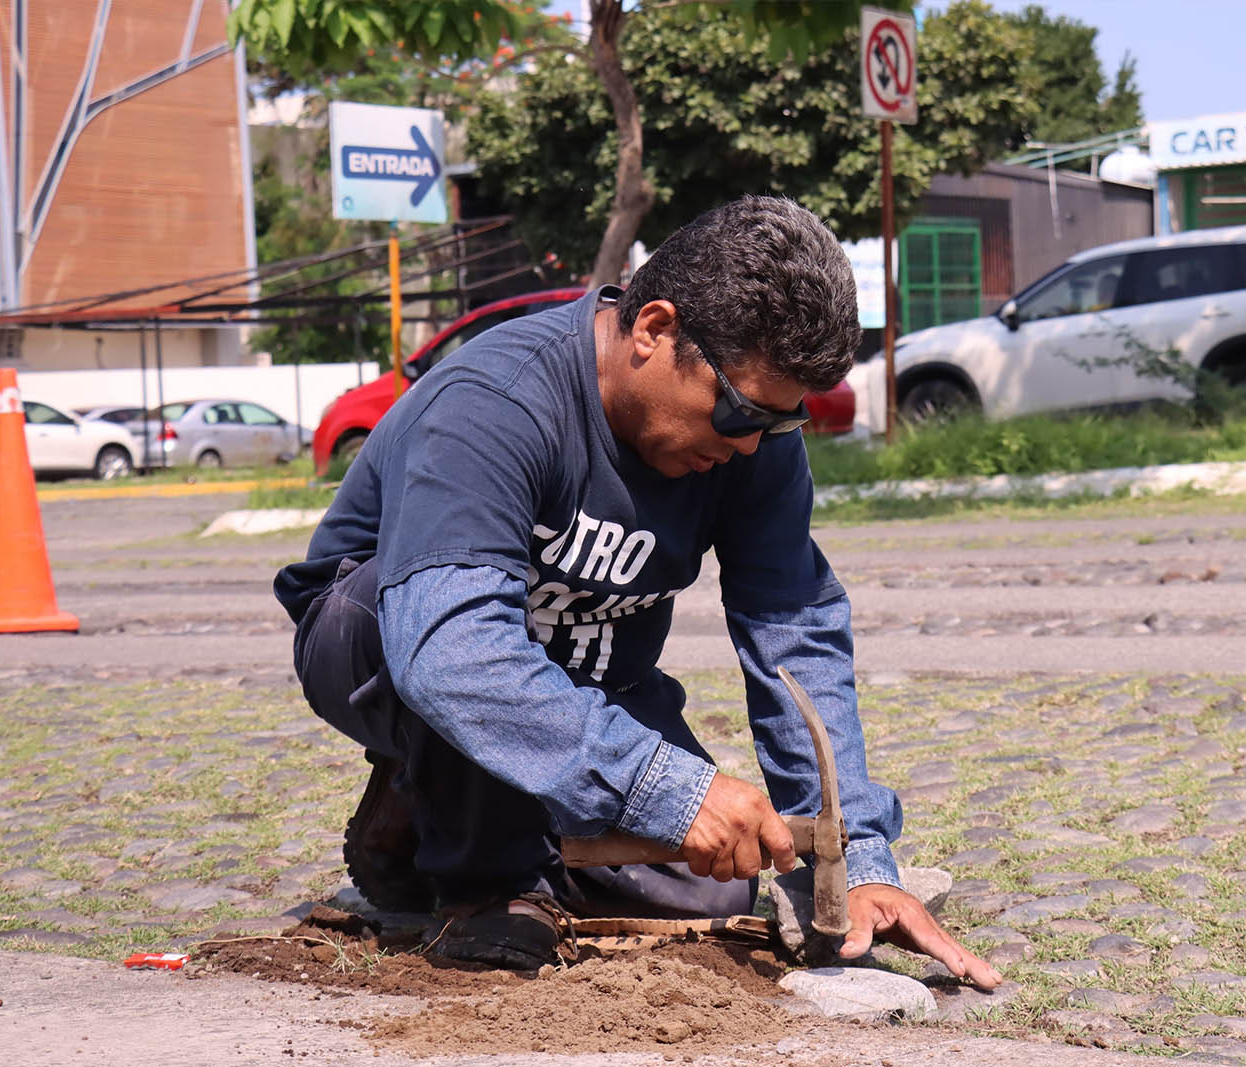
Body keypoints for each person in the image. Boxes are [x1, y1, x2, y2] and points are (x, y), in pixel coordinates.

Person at [274, 196, 1000, 987]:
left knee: (709, 883)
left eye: (781, 423)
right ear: (653, 329)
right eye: (741, 411)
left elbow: (791, 623)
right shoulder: (496, 400)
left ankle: (424, 823)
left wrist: (857, 856)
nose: (752, 444)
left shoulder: (752, 443)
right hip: (384, 636)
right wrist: (666, 788)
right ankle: (484, 879)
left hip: (585, 675)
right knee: (467, 656)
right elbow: (451, 648)